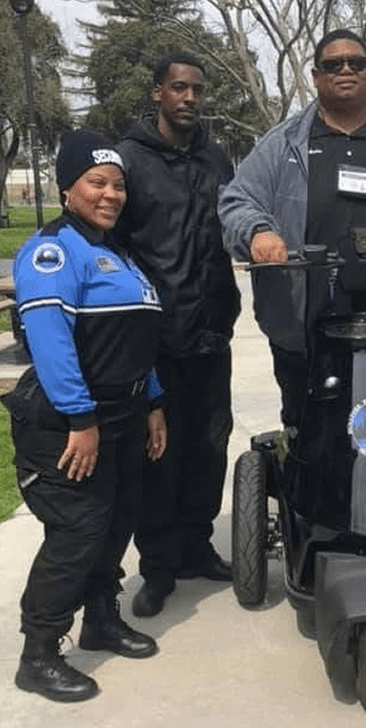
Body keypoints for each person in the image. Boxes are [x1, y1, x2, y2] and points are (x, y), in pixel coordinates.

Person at [219, 28, 366, 429]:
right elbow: (235, 201)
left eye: (356, 62)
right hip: (309, 322)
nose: (345, 70)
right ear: (316, 76)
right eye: (332, 64)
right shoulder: (283, 144)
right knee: (311, 435)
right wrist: (258, 232)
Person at [1, 129, 167, 703]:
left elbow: (137, 342)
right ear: (67, 187)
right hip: (68, 424)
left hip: (124, 416)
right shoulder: (53, 252)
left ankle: (100, 618)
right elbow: (51, 342)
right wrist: (80, 418)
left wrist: (153, 403)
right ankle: (39, 654)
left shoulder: (118, 253)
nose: (111, 195)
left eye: (118, 185)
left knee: (115, 524)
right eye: (97, 183)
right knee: (76, 535)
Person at [115, 49, 241, 617]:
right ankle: (160, 567)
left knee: (208, 446)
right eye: (178, 88)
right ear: (157, 94)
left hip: (211, 334)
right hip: (156, 340)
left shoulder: (217, 159)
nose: (189, 98)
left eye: (196, 89)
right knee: (158, 454)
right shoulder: (128, 162)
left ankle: (196, 548)